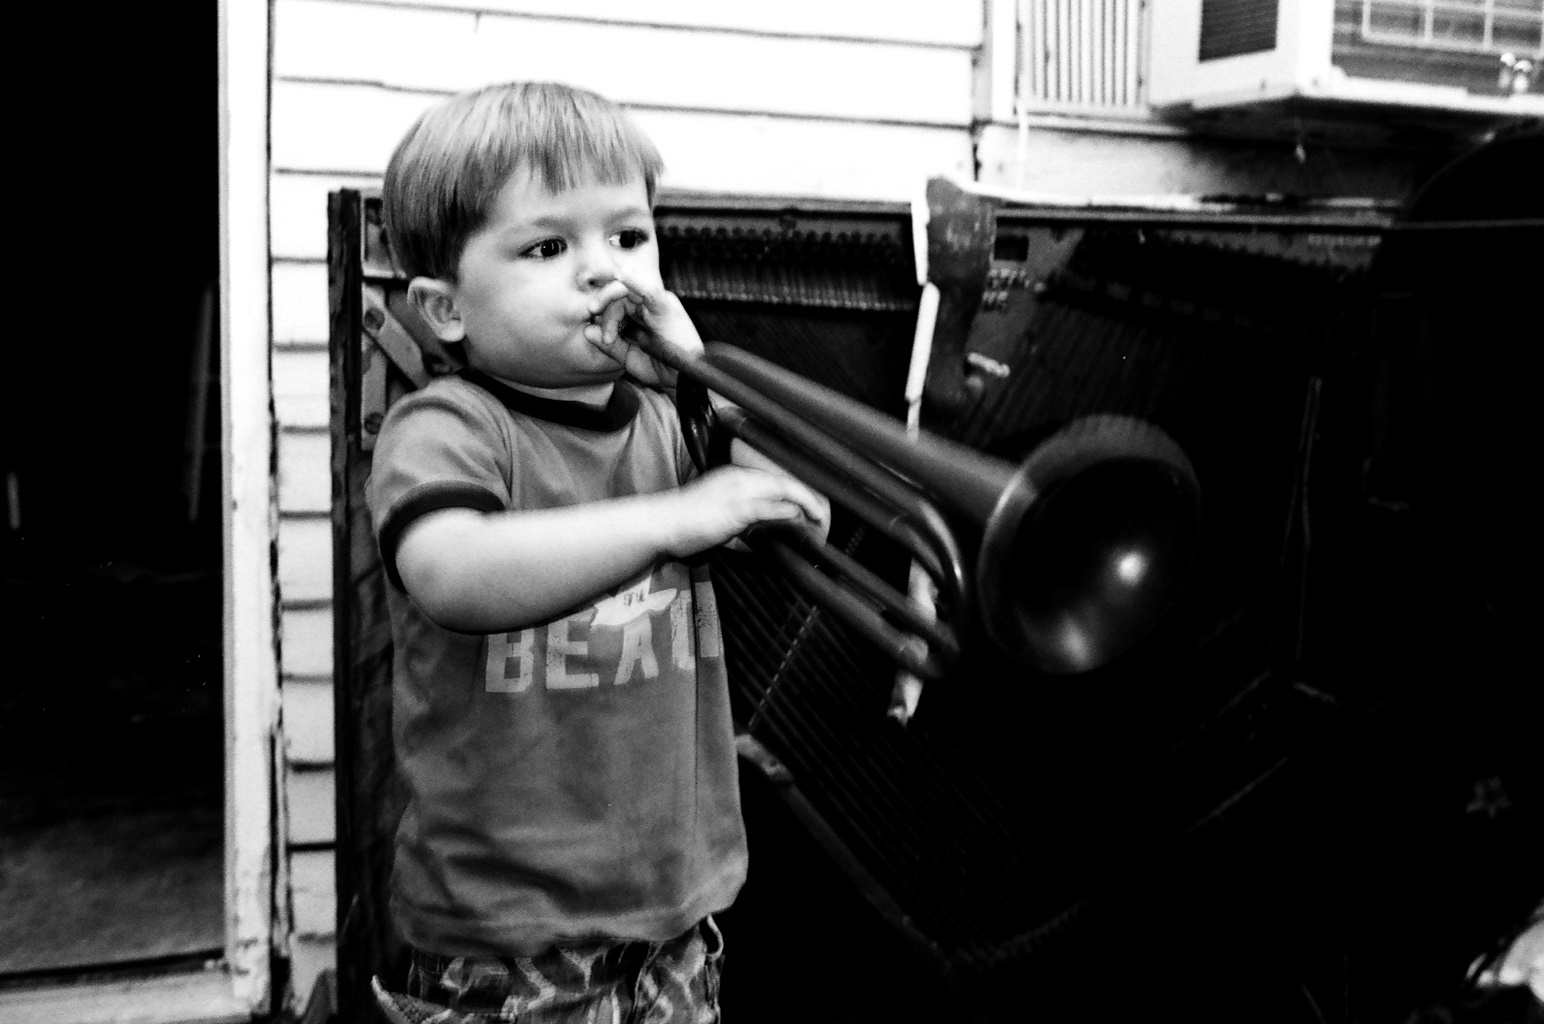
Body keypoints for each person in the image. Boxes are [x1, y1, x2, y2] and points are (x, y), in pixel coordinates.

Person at [365, 81, 829, 1023]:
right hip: (503, 937)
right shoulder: (449, 428)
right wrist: (673, 518)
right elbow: (452, 571)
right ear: (445, 309)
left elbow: (803, 515)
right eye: (548, 247)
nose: (604, 274)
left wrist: (702, 378)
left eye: (628, 237)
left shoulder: (669, 421)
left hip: (675, 914)